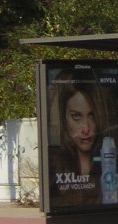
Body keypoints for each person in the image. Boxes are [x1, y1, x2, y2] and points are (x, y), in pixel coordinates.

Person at [47, 69, 113, 208]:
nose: (86, 129)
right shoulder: (55, 166)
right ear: (63, 117)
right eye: (76, 116)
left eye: (92, 115)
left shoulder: (109, 162)